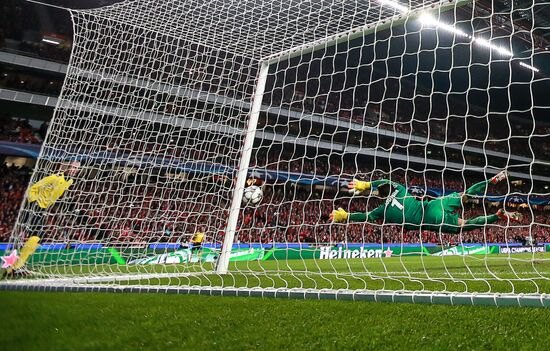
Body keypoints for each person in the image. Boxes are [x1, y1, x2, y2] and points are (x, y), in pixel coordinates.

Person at [330, 170, 522, 233]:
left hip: (430, 219)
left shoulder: (381, 211)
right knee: (465, 195)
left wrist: (345, 216)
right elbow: (386, 182)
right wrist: (367, 184)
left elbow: (366, 217)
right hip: (435, 204)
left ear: (377, 195)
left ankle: (497, 215)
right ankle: (491, 180)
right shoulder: (400, 189)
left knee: (466, 224)